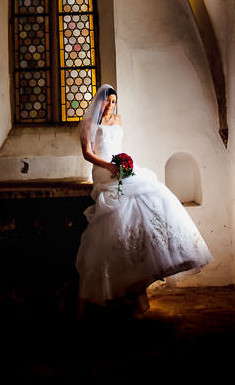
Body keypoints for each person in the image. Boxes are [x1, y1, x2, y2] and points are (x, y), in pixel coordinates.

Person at [75, 84, 213, 310]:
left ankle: (148, 267)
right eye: (107, 101)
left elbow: (117, 147)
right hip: (103, 169)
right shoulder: (89, 123)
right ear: (99, 102)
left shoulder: (118, 120)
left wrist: (123, 164)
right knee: (118, 213)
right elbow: (87, 153)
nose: (110, 105)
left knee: (157, 195)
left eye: (113, 102)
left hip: (121, 165)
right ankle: (121, 281)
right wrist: (109, 166)